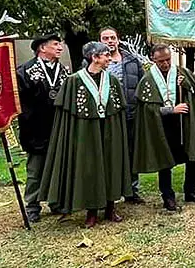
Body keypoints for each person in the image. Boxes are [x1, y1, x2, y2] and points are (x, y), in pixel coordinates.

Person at [40, 42, 131, 228]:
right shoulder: (74, 81)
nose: (109, 58)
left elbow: (118, 108)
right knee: (90, 167)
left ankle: (110, 208)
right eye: (106, 55)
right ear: (94, 57)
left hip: (109, 130)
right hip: (86, 133)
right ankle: (91, 211)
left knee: (110, 165)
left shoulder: (111, 80)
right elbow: (67, 115)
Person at [134, 45, 195, 211]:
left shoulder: (182, 73)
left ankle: (190, 190)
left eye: (168, 60)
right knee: (165, 161)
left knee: (192, 156)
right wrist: (170, 109)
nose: (166, 64)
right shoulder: (148, 80)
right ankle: (168, 196)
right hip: (162, 126)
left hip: (184, 123)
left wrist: (185, 85)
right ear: (153, 60)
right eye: (161, 61)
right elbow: (148, 110)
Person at [16, 33, 70, 223]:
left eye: (60, 44)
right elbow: (22, 104)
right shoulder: (25, 71)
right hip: (36, 130)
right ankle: (32, 206)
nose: (60, 47)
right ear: (42, 48)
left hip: (59, 128)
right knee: (35, 170)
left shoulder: (64, 71)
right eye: (55, 44)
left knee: (57, 167)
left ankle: (56, 202)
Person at [98, 27, 145, 203]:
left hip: (130, 113)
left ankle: (132, 190)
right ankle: (111, 190)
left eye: (112, 38)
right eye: (105, 38)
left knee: (131, 151)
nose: (109, 41)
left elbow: (142, 84)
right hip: (107, 116)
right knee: (111, 152)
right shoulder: (95, 62)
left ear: (118, 40)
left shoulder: (132, 60)